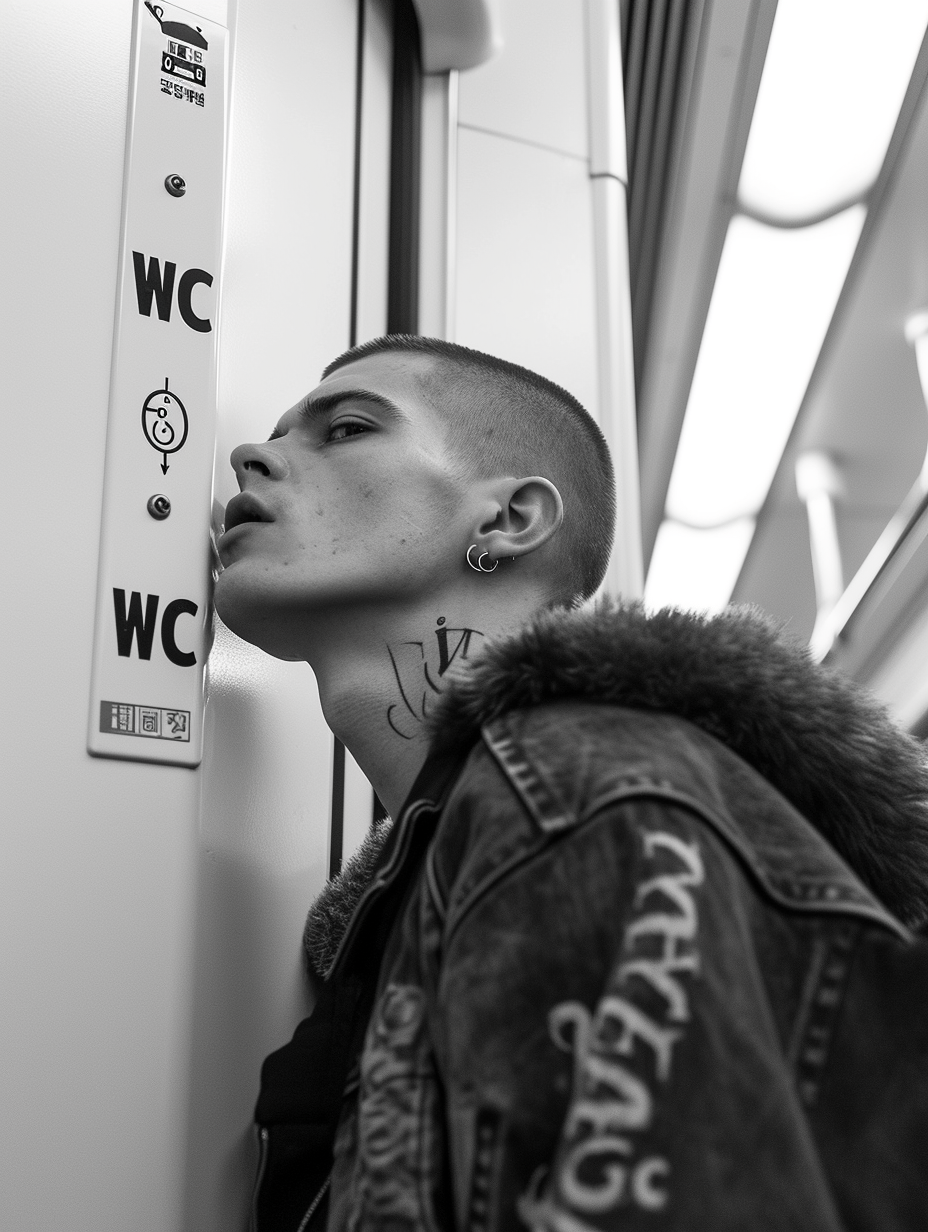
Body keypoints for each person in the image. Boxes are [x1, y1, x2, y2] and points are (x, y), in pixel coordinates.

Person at [214, 335, 928, 1232]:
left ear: (510, 520)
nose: (253, 455)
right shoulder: (459, 863)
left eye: (347, 429)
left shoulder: (581, 789)